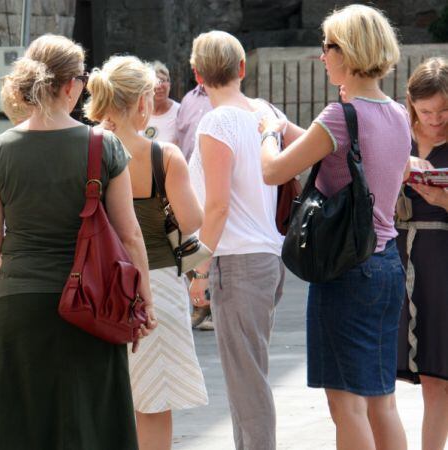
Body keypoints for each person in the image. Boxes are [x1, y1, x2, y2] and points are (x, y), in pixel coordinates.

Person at [0, 34, 156, 450]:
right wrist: (142, 298)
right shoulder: (104, 147)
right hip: (91, 302)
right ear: (73, 85)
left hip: (21, 301)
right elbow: (130, 235)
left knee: (19, 427)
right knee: (88, 423)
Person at [259, 5, 410, 449]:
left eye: (326, 48)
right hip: (386, 265)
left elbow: (273, 172)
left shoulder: (339, 116)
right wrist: (292, 128)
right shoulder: (396, 113)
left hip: (346, 270)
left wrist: (270, 132)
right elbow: (346, 152)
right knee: (382, 401)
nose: (322, 57)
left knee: (346, 406)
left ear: (346, 51)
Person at [85, 54, 208, 450]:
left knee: (102, 398)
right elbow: (191, 220)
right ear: (142, 101)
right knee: (154, 401)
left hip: (96, 284)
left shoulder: (85, 152)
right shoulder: (163, 156)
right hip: (155, 281)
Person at [186, 31, 287, 450]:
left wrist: (199, 268)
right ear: (242, 69)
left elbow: (218, 206)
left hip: (238, 259)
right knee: (247, 374)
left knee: (246, 381)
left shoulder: (217, 121)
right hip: (266, 254)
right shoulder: (264, 111)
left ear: (197, 75)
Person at [396, 57, 448, 450]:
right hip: (395, 255)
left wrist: (442, 199)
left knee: (438, 372)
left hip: (441, 260)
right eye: (426, 110)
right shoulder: (397, 132)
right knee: (384, 371)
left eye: (444, 110)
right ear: (411, 103)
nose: (435, 118)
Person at [177, 80, 214, 331]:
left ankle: (209, 304)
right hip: (187, 177)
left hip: (210, 176)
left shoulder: (223, 98)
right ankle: (202, 303)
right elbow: (181, 137)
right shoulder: (188, 99)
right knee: (189, 239)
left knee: (206, 236)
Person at [142, 61, 180, 145]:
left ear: (169, 84)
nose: (159, 86)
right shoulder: (139, 111)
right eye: (155, 81)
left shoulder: (180, 112)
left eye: (162, 80)